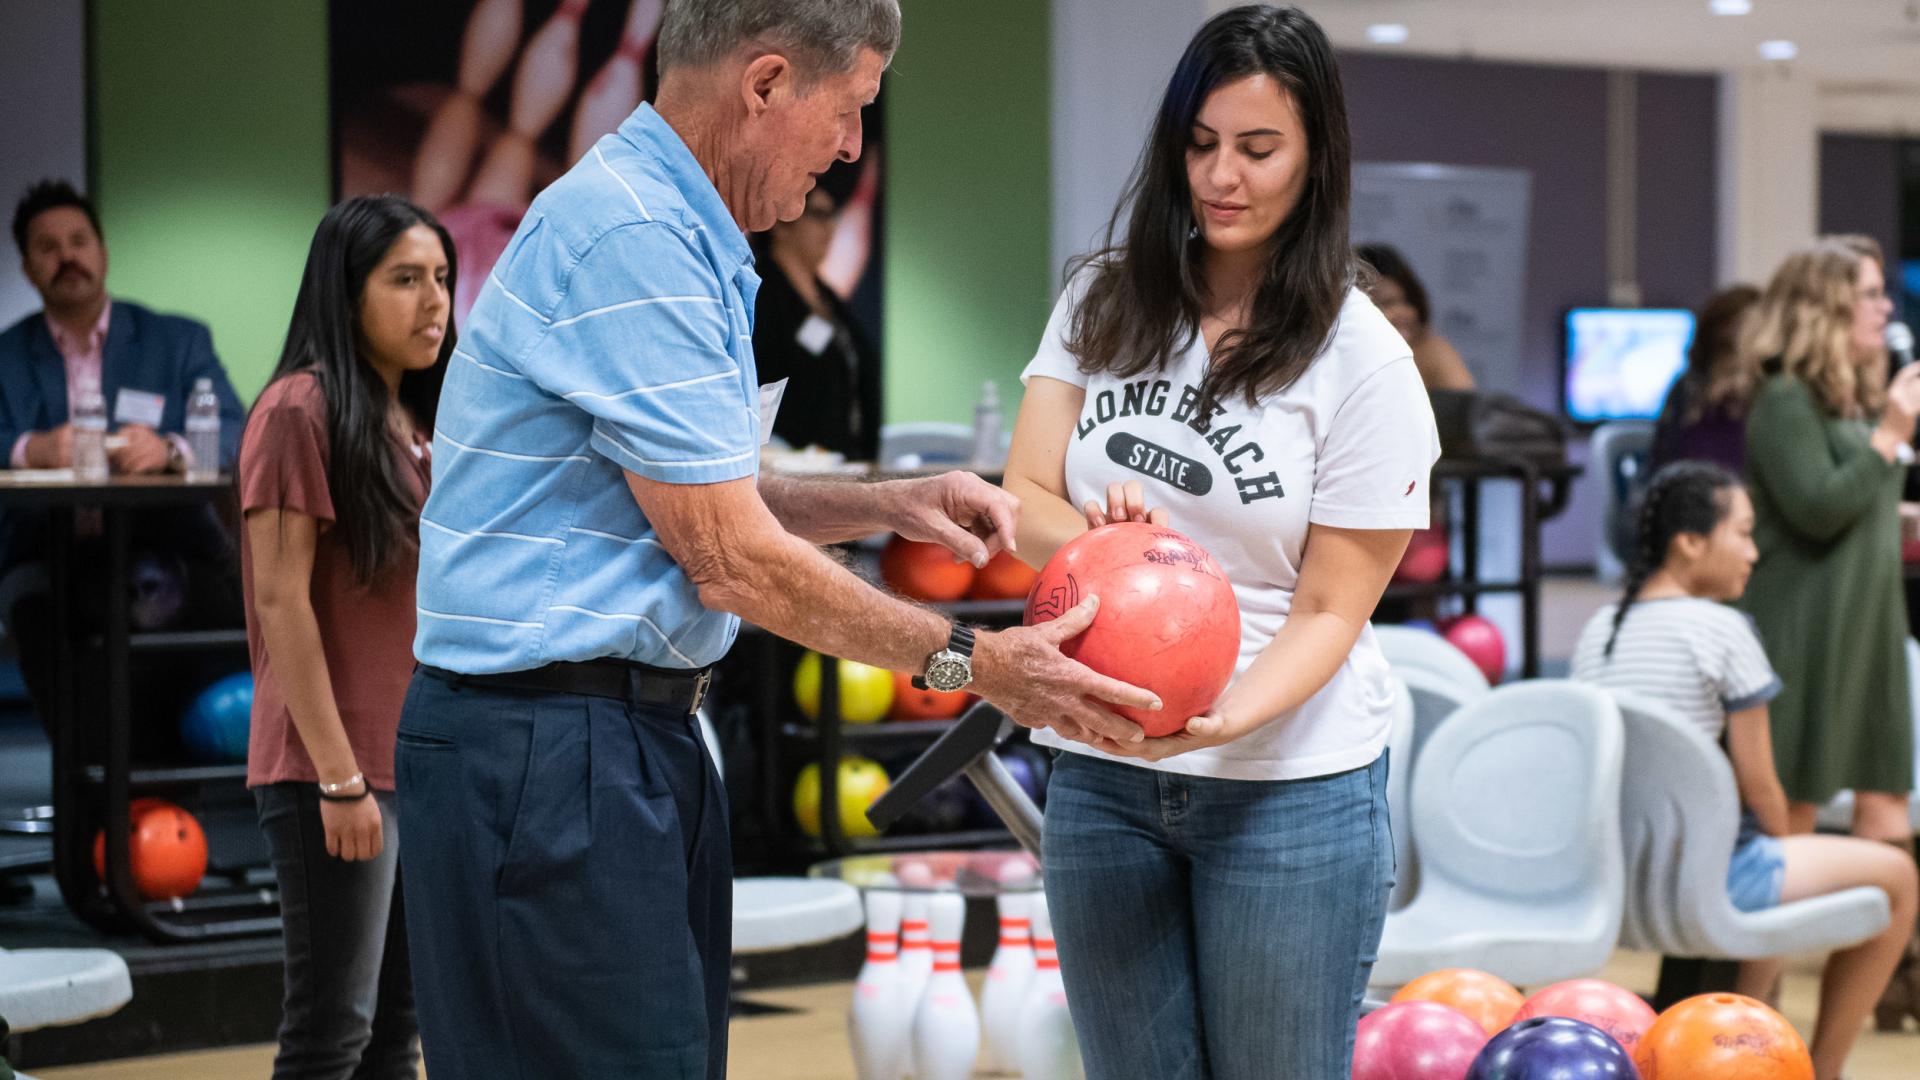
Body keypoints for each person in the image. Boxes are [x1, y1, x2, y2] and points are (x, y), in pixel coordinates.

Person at [395, 3, 1155, 1077]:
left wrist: (886, 503)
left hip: (606, 743)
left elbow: (702, 492)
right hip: (550, 751)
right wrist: (978, 666)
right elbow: (730, 559)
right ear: (764, 85)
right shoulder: (636, 238)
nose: (851, 148)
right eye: (849, 112)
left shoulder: (673, 224)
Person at [1003, 7, 1438, 1075]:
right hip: (1099, 769)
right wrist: (1100, 549)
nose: (1221, 177)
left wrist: (1219, 718)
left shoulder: (1363, 363)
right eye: (1200, 145)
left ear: (1316, 158)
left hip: (1288, 787)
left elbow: (1335, 608)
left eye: (1257, 148)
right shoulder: (1101, 300)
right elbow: (1024, 493)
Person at [1571, 460, 1917, 1080]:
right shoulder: (1724, 629)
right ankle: (1824, 1067)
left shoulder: (1599, 629)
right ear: (1691, 542)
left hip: (1615, 881)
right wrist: (1789, 851)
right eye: (1744, 532)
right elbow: (1761, 787)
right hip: (1711, 883)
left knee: (1770, 881)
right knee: (1898, 875)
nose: (1754, 553)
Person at [239, 195, 453, 1080]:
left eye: (442, 278)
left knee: (395, 1035)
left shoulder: (418, 426)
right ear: (345, 290)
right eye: (405, 279)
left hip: (411, 768)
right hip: (330, 771)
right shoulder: (298, 410)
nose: (434, 301)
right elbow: (281, 601)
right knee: (332, 1033)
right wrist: (339, 780)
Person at [1740, 235, 1920, 1029]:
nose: (1886, 308)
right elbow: (1815, 507)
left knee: (1889, 807)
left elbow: (1857, 503)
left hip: (1871, 628)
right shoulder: (1784, 398)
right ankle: (1751, 1019)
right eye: (1871, 294)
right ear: (1825, 307)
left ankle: (1882, 993)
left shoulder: (1850, 398)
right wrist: (1890, 436)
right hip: (1806, 631)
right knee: (1797, 818)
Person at [0, 180, 248, 745]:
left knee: (209, 619)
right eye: (48, 247)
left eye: (79, 241)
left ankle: (160, 795)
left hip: (165, 542)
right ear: (28, 268)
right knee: (62, 656)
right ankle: (91, 797)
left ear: (103, 253)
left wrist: (171, 449)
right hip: (45, 552)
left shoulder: (177, 340)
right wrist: (29, 450)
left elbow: (235, 427)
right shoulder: (7, 357)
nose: (67, 256)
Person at [750, 167, 883, 460]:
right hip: (784, 466)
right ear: (783, 222)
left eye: (833, 216)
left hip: (843, 462)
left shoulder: (829, 298)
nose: (830, 228)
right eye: (819, 215)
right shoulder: (760, 294)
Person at [1650, 284, 1761, 474]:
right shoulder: (1688, 389)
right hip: (1691, 495)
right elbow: (1665, 469)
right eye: (1728, 346)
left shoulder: (1771, 391)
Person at [1355, 242, 1474, 391]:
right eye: (1385, 304)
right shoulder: (1343, 359)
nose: (1402, 313)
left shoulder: (1434, 354)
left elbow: (1464, 407)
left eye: (1408, 302)